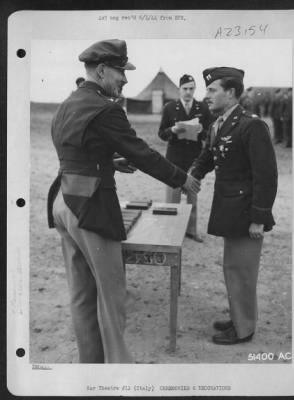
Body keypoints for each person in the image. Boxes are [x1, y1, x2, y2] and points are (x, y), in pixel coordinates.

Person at [47, 39, 200, 363]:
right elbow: (141, 152)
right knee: (112, 295)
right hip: (90, 207)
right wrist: (182, 179)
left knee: (82, 295)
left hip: (63, 201)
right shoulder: (106, 108)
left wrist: (107, 163)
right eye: (121, 71)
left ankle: (91, 368)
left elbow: (74, 150)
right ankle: (117, 372)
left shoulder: (68, 103)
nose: (126, 79)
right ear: (101, 70)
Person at [190, 67, 278, 345]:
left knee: (242, 270)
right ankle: (240, 317)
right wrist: (192, 175)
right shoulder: (221, 123)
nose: (207, 96)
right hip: (231, 208)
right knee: (233, 267)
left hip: (246, 212)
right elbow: (208, 155)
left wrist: (259, 219)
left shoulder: (250, 125)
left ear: (231, 93)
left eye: (212, 90)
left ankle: (244, 329)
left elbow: (266, 176)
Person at [158, 74, 214, 242]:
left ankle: (191, 230)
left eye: (191, 89)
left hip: (194, 158)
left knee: (192, 196)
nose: (188, 92)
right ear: (179, 89)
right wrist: (172, 131)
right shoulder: (169, 107)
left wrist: (201, 131)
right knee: (172, 197)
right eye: (185, 89)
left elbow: (210, 135)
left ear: (195, 89)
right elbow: (161, 133)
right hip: (174, 158)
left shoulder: (203, 108)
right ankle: (171, 230)